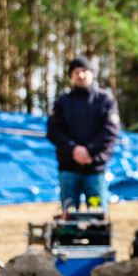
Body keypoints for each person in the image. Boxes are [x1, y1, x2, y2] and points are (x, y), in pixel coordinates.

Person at [46, 56, 120, 214]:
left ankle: (98, 238)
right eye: (76, 72)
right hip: (68, 171)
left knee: (97, 216)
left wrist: (90, 151)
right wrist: (74, 149)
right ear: (71, 76)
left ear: (92, 73)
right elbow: (54, 131)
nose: (81, 75)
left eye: (84, 71)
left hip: (95, 170)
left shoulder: (105, 100)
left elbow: (110, 130)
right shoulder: (62, 102)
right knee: (69, 217)